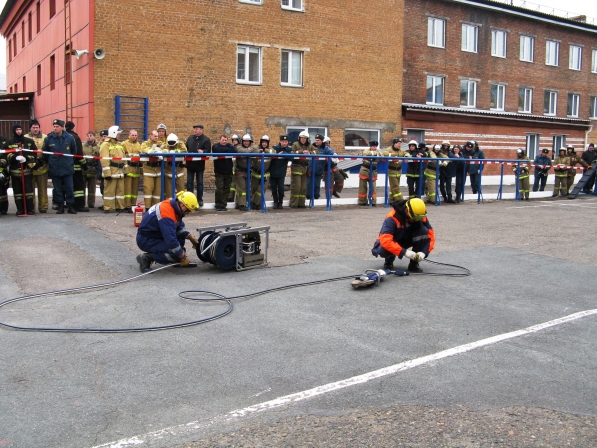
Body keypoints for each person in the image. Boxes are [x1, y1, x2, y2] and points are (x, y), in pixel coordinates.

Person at [136, 191, 200, 273]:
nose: (188, 213)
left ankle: (174, 257)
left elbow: (178, 226)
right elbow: (171, 240)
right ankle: (146, 258)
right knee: (176, 253)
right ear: (182, 205)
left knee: (180, 242)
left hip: (155, 235)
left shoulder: (173, 206)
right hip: (146, 240)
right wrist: (182, 257)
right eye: (188, 210)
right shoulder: (167, 214)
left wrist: (189, 236)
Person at [371, 198, 435, 273]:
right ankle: (389, 258)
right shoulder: (392, 217)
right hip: (395, 239)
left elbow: (431, 237)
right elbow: (385, 241)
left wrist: (424, 252)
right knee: (383, 249)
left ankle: (414, 263)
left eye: (419, 218)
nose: (416, 220)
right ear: (407, 210)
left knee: (424, 231)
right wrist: (404, 252)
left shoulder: (420, 215)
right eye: (414, 218)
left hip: (408, 237)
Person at [42, 119, 77, 214]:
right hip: (55, 169)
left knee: (69, 188)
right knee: (57, 189)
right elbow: (45, 153)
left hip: (67, 168)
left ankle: (70, 206)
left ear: (62, 127)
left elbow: (74, 152)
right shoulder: (49, 139)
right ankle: (60, 205)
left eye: (57, 126)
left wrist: (68, 162)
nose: (55, 128)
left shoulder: (69, 138)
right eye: (54, 126)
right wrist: (51, 162)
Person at [7, 123, 38, 215]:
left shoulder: (29, 141)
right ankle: (20, 209)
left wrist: (26, 158)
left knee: (28, 192)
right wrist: (14, 158)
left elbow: (34, 153)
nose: (19, 131)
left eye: (20, 129)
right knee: (17, 192)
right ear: (14, 131)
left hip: (27, 171)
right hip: (15, 172)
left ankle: (30, 209)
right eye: (17, 130)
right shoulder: (10, 142)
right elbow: (7, 154)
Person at [100, 126, 126, 213]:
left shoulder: (119, 144)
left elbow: (124, 159)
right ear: (113, 133)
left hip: (120, 172)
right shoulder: (105, 144)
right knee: (109, 191)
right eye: (118, 134)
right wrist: (107, 174)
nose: (119, 136)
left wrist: (125, 171)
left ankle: (120, 206)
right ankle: (107, 207)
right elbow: (104, 160)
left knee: (120, 191)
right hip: (111, 171)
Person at [24, 119, 49, 213]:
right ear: (30, 128)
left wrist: (42, 161)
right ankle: (31, 207)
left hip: (42, 168)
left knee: (43, 189)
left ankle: (43, 207)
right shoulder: (25, 137)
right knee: (30, 190)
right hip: (29, 168)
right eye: (33, 127)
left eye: (37, 127)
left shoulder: (45, 137)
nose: (35, 129)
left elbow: (47, 151)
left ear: (39, 128)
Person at [185, 124, 211, 207]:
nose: (195, 130)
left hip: (199, 165)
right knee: (189, 183)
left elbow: (208, 151)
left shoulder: (206, 139)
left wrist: (203, 151)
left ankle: (199, 199)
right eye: (194, 129)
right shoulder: (190, 138)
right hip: (190, 164)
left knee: (199, 183)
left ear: (201, 130)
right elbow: (186, 148)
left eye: (197, 129)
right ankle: (189, 199)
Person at [65, 121, 89, 212]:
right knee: (78, 187)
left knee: (67, 186)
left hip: (66, 167)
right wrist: (84, 164)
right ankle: (79, 205)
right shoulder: (75, 137)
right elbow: (79, 153)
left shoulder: (63, 137)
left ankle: (68, 204)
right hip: (76, 167)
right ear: (72, 127)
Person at [289, 130, 315, 208]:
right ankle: (293, 203)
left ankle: (301, 203)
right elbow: (291, 153)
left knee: (303, 188)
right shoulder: (295, 144)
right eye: (302, 138)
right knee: (296, 187)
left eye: (305, 138)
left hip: (305, 168)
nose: (304, 139)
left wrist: (310, 152)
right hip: (296, 166)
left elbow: (317, 151)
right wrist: (301, 151)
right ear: (299, 138)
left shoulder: (309, 145)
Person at [250, 135, 276, 208]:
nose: (264, 144)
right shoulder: (256, 148)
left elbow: (273, 153)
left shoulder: (270, 150)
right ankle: (255, 204)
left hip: (265, 173)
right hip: (255, 173)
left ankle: (255, 203)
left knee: (261, 189)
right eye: (263, 142)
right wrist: (259, 151)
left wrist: (264, 150)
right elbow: (251, 152)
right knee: (254, 189)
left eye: (266, 142)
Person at [140, 130, 163, 210]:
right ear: (150, 136)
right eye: (155, 136)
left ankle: (155, 207)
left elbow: (165, 148)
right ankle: (147, 207)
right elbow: (144, 149)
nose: (156, 138)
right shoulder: (145, 143)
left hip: (158, 170)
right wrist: (155, 152)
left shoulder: (160, 144)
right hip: (148, 169)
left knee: (157, 191)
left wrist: (161, 152)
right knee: (148, 189)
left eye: (157, 136)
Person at [212, 134, 236, 211]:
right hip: (219, 172)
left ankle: (223, 205)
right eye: (223, 140)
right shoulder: (215, 146)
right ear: (220, 140)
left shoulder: (230, 146)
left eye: (226, 140)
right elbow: (218, 151)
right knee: (219, 189)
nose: (224, 141)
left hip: (228, 172)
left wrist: (224, 150)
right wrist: (226, 150)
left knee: (227, 189)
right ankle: (218, 205)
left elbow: (234, 150)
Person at [307, 134, 335, 200]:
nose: (316, 141)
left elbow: (332, 153)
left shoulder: (325, 148)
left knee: (317, 185)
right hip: (310, 170)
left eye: (318, 140)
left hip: (318, 171)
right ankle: (309, 198)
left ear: (322, 141)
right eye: (316, 140)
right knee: (308, 185)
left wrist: (335, 156)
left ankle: (316, 198)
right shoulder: (311, 146)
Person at [234, 134, 257, 211]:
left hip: (248, 171)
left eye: (248, 141)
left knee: (246, 188)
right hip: (240, 171)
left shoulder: (253, 147)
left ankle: (238, 203)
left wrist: (251, 150)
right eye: (245, 141)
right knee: (241, 189)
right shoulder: (238, 147)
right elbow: (244, 151)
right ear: (242, 141)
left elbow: (256, 151)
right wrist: (251, 150)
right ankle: (241, 204)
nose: (246, 143)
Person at [161, 133, 187, 199]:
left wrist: (176, 151)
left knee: (181, 189)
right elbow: (161, 150)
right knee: (169, 190)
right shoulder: (165, 144)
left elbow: (184, 151)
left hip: (179, 169)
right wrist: (167, 151)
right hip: (169, 169)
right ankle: (169, 204)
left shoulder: (180, 144)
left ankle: (181, 203)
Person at [122, 129, 142, 213]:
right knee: (127, 190)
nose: (134, 137)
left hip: (136, 170)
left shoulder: (138, 145)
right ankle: (127, 205)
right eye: (132, 135)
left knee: (134, 190)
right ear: (129, 135)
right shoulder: (124, 144)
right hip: (128, 170)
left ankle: (133, 205)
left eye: (135, 135)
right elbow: (122, 157)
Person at [382, 137, 408, 202]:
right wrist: (394, 155)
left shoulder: (401, 150)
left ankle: (392, 200)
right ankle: (400, 200)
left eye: (400, 144)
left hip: (399, 170)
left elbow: (406, 153)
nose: (400, 145)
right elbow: (384, 154)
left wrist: (406, 156)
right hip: (392, 170)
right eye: (399, 143)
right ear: (394, 144)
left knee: (394, 187)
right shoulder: (389, 149)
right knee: (395, 186)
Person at [358, 140, 383, 205]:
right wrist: (375, 154)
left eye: (375, 146)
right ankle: (362, 202)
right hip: (365, 170)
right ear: (370, 146)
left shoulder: (378, 151)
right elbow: (365, 154)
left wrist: (375, 154)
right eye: (373, 146)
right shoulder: (366, 150)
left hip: (373, 171)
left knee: (373, 188)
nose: (374, 148)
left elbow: (381, 156)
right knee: (363, 187)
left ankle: (373, 202)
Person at [269, 134, 291, 209]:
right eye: (283, 141)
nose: (284, 143)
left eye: (286, 141)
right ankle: (275, 202)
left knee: (281, 189)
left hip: (281, 172)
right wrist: (277, 155)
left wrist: (284, 153)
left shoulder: (288, 150)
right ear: (280, 141)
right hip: (273, 171)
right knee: (273, 188)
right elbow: (270, 154)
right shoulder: (275, 148)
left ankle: (280, 202)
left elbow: (292, 157)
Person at [82, 131, 100, 208]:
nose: (89, 137)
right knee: (82, 187)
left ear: (94, 137)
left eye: (91, 135)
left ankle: (91, 203)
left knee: (92, 188)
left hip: (93, 169)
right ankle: (82, 203)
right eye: (88, 135)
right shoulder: (83, 146)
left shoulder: (98, 147)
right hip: (84, 169)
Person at [228, 134, 241, 203]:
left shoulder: (240, 148)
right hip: (232, 169)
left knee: (238, 186)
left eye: (236, 140)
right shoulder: (231, 148)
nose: (234, 141)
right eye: (233, 140)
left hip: (238, 169)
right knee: (232, 185)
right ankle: (230, 198)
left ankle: (238, 201)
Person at [96, 129, 109, 204]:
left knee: (106, 189)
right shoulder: (100, 146)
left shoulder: (108, 146)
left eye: (105, 136)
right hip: (101, 170)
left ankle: (107, 204)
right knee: (102, 188)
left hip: (107, 171)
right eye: (102, 136)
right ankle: (105, 203)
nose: (103, 138)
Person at [0, 135, 10, 215]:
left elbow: (6, 154)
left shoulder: (4, 140)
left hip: (2, 170)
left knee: (3, 191)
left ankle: (3, 208)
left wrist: (2, 163)